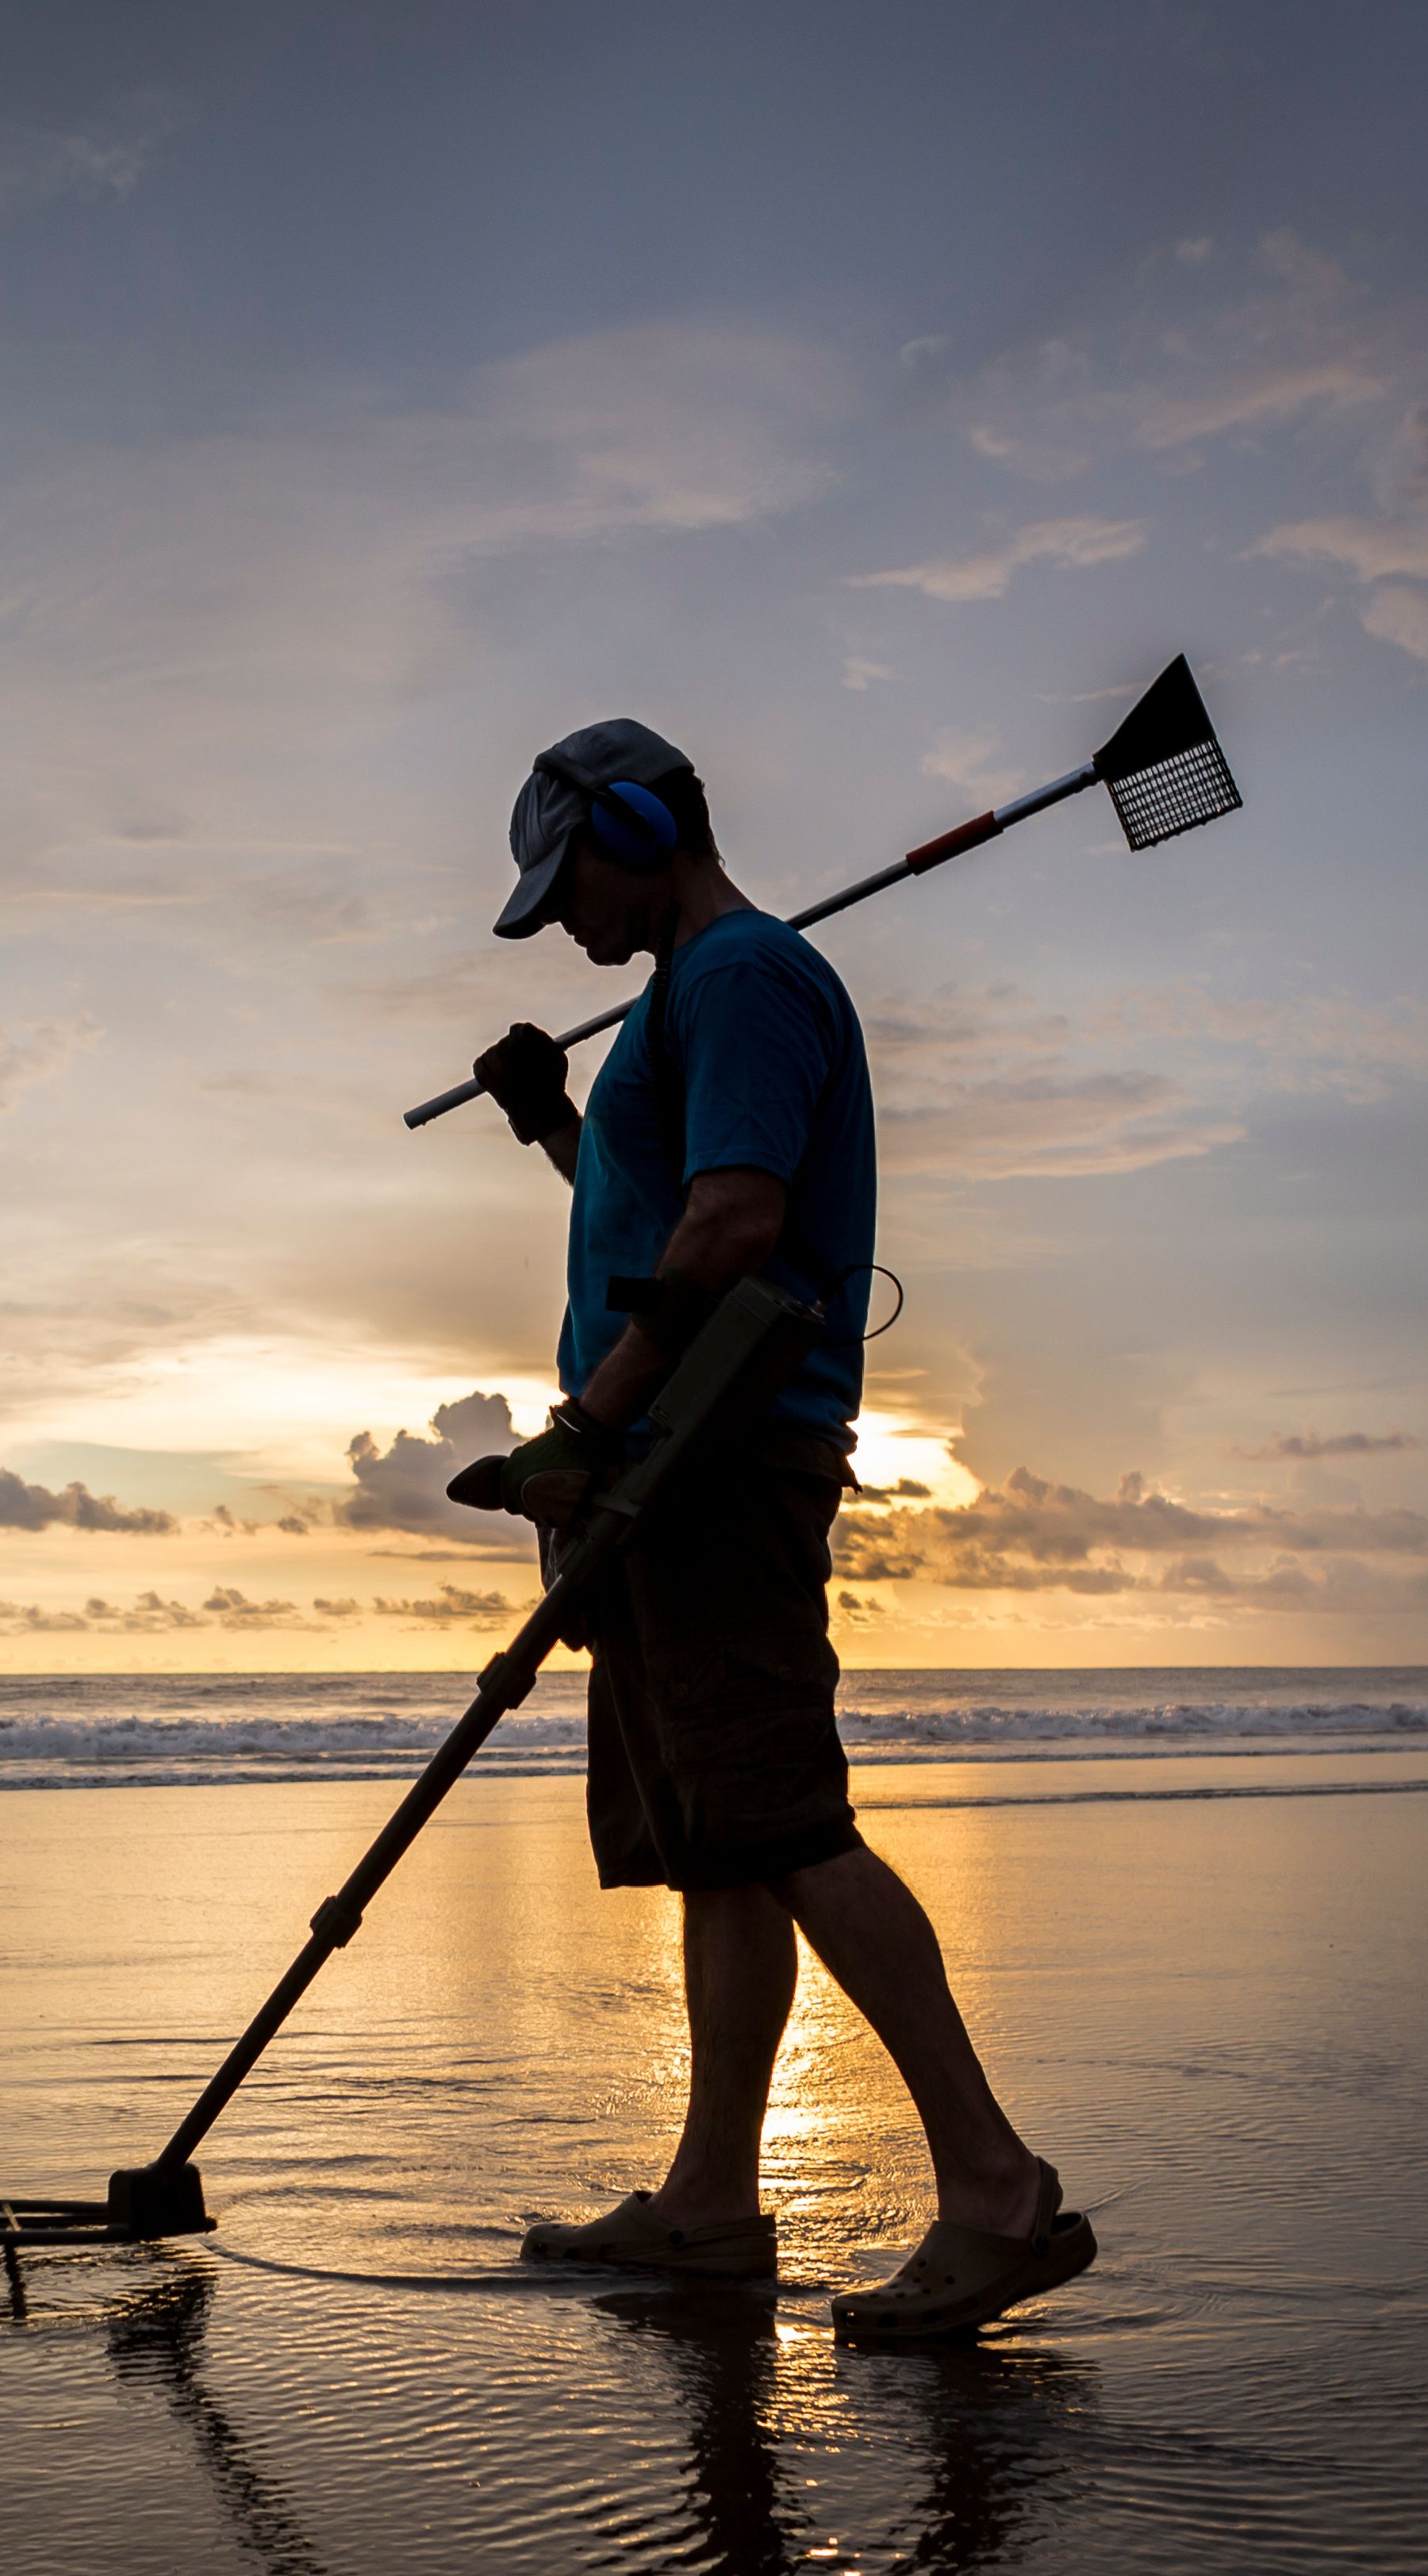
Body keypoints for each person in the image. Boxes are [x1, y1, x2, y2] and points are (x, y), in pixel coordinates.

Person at [461, 718, 1089, 2342]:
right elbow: (658, 1217)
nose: (564, 921)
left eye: (570, 882)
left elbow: (738, 1224)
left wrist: (588, 1424)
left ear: (639, 827)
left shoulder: (743, 977)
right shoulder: (688, 996)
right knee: (720, 1845)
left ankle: (998, 2189)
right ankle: (709, 2203)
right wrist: (554, 1123)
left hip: (715, 1456)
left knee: (787, 1821)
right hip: (664, 1461)